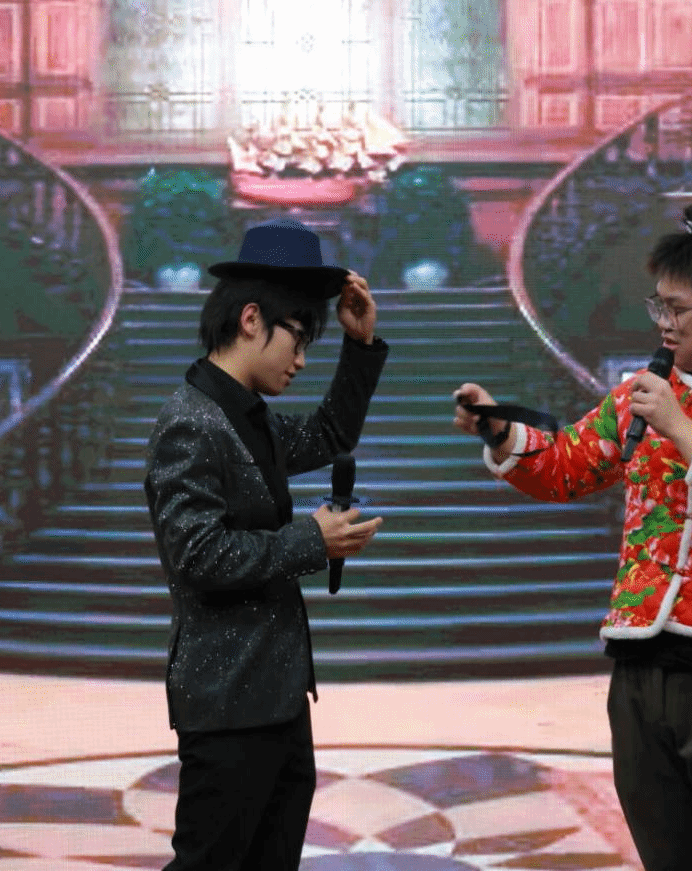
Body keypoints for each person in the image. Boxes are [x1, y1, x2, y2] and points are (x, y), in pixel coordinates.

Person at [453, 207, 692, 871]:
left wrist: (682, 430)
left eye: (678, 308)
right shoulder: (642, 392)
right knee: (667, 855)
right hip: (639, 662)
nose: (663, 322)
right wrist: (500, 431)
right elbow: (567, 466)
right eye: (657, 305)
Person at [144, 217, 388, 870]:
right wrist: (311, 539)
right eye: (298, 339)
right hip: (227, 700)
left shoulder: (247, 416)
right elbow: (197, 555)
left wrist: (360, 344)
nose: (301, 360)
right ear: (251, 319)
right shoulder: (192, 423)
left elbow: (331, 433)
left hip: (275, 695)